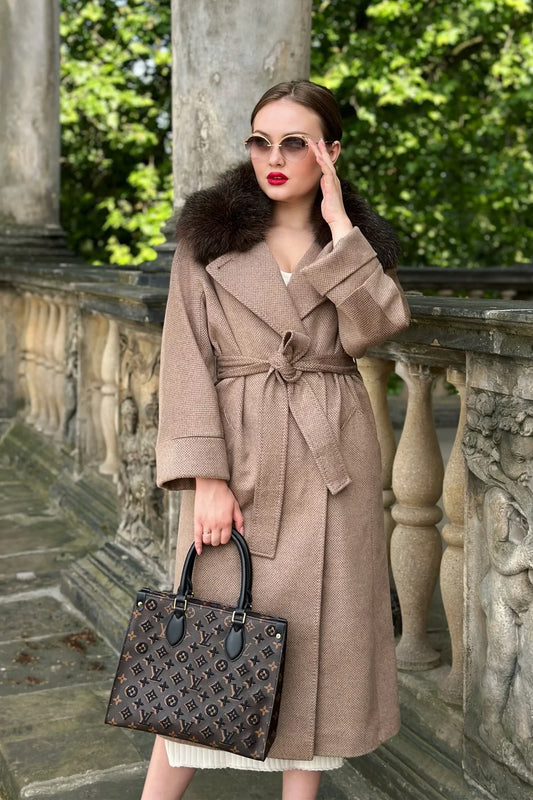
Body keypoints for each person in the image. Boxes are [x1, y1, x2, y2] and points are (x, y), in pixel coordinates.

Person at [143, 80, 411, 800]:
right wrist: (206, 478)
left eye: (295, 142)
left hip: (332, 463)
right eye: (261, 141)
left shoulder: (350, 240)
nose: (274, 157)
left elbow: (376, 330)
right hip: (240, 451)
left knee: (318, 651)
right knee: (200, 649)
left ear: (329, 151)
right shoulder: (210, 236)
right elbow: (185, 359)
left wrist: (340, 226)